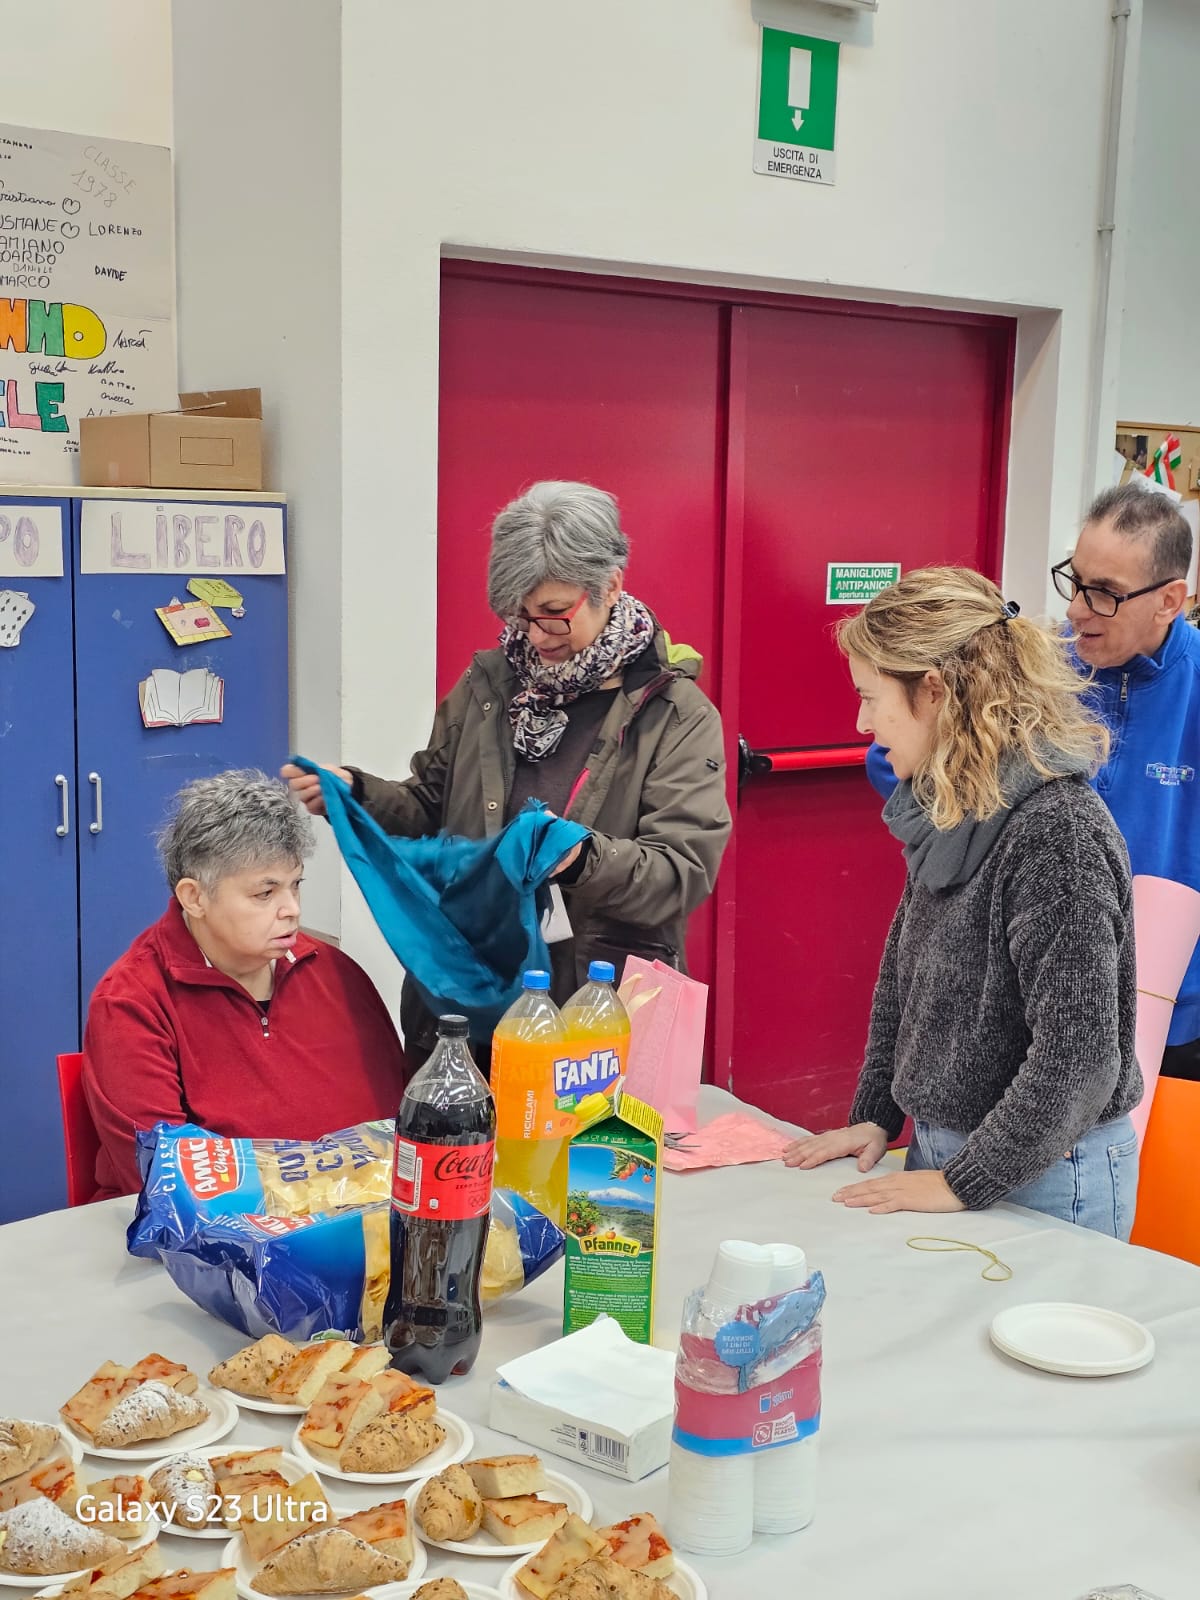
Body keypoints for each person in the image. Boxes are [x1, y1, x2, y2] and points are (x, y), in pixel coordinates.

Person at [284, 480, 731, 1065]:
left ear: (611, 586)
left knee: (579, 1159)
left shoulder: (675, 715)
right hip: (468, 1001)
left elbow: (682, 873)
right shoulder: (489, 686)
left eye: (554, 614)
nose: (536, 636)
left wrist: (578, 857)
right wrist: (359, 794)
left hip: (595, 1018)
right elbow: (429, 806)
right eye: (521, 617)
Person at [786, 566, 1142, 1238]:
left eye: (871, 698)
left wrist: (964, 1180)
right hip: (950, 1155)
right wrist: (875, 1114)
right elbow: (906, 982)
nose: (861, 721)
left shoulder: (1056, 832)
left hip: (1045, 1172)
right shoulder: (954, 806)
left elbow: (1080, 1058)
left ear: (935, 692)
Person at [868, 485, 1200, 1080]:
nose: (1076, 609)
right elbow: (902, 761)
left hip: (1179, 1010)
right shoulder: (1041, 670)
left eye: (1105, 594)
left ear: (1170, 599)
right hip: (1031, 999)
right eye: (1075, 581)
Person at [83, 770, 409, 1200]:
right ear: (194, 897)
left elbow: (399, 1128)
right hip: (205, 1252)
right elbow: (168, 1186)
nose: (291, 909)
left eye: (295, 886)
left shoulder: (336, 973)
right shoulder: (133, 1002)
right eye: (265, 894)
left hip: (359, 1227)